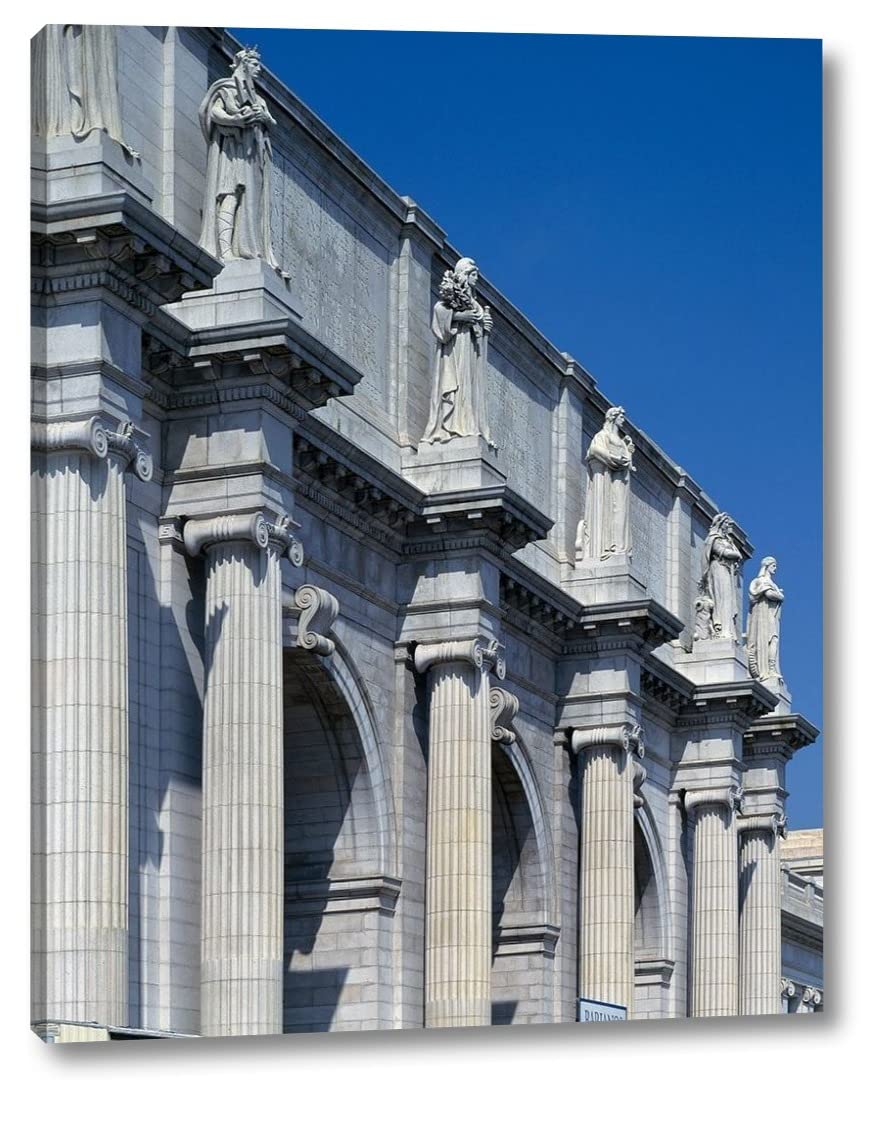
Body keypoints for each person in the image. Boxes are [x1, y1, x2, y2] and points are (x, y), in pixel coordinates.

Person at [198, 47, 286, 275]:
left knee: (248, 202)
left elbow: (272, 123)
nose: (259, 70)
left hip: (253, 158)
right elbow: (213, 112)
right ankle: (224, 250)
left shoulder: (259, 99)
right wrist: (236, 119)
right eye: (255, 65)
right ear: (243, 63)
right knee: (229, 195)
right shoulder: (226, 87)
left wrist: (264, 117)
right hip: (232, 151)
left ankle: (245, 247)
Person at [422, 258, 494, 445]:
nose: (476, 278)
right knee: (455, 384)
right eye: (473, 274)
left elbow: (479, 335)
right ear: (464, 274)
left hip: (469, 353)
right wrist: (460, 316)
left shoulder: (476, 305)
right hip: (454, 350)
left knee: (467, 387)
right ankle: (449, 426)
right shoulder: (451, 298)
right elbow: (439, 315)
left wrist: (484, 328)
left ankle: (467, 424)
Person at [699, 513, 742, 640]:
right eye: (726, 524)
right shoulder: (714, 538)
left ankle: (727, 630)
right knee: (721, 598)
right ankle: (722, 630)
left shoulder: (727, 540)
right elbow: (724, 552)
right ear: (721, 524)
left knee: (727, 600)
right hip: (718, 569)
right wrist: (733, 554)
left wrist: (734, 552)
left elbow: (737, 554)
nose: (728, 527)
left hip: (726, 570)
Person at [746, 556, 784, 683]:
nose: (775, 568)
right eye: (773, 565)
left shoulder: (770, 583)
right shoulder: (761, 581)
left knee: (773, 640)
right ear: (767, 566)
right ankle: (769, 669)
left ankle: (771, 668)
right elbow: (769, 594)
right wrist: (780, 596)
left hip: (770, 615)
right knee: (771, 639)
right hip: (764, 616)